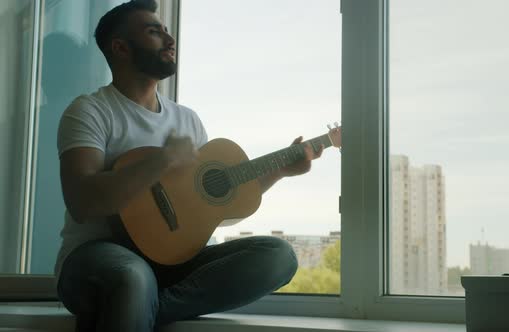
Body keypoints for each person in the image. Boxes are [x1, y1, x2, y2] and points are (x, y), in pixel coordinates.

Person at [54, 1, 324, 331]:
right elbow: (83, 202)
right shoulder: (90, 111)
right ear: (121, 48)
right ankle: (138, 300)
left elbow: (209, 205)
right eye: (154, 32)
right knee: (132, 276)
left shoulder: (187, 120)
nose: (169, 41)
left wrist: (278, 171)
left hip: (173, 264)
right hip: (96, 258)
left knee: (278, 255)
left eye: (167, 32)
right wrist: (163, 158)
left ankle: (146, 309)